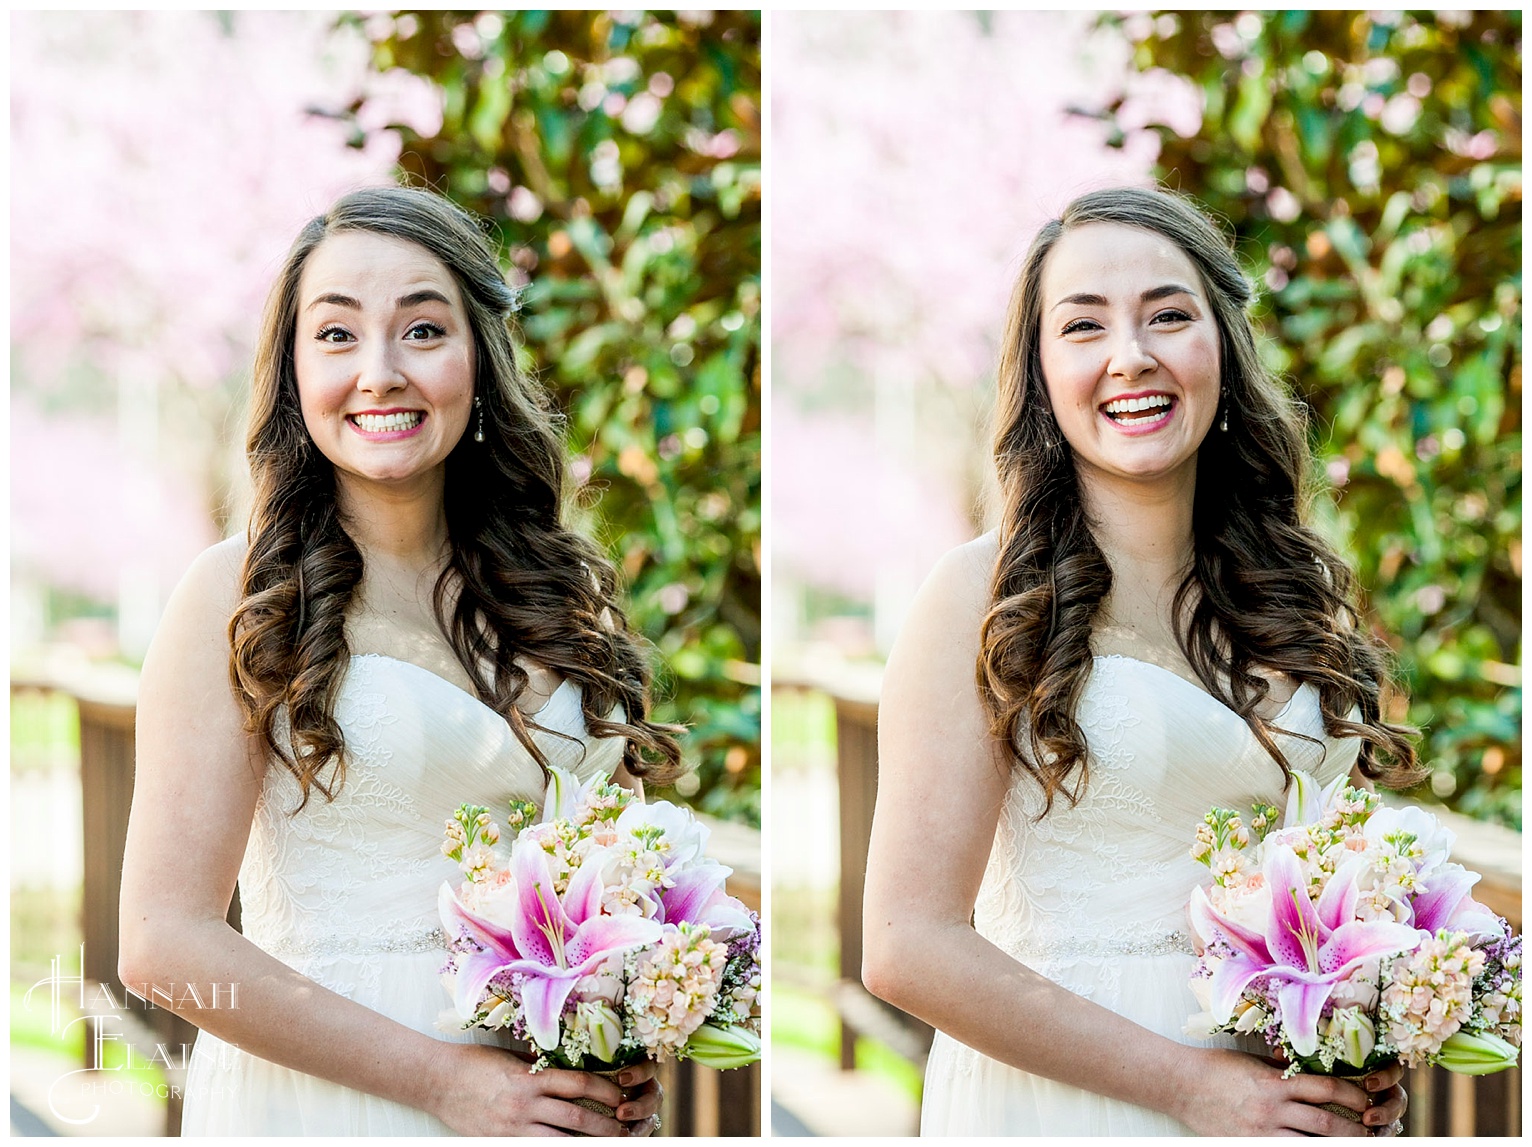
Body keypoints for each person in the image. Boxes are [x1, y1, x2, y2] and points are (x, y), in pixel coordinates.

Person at [119, 187, 680, 1136]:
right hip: (329, 1102)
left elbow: (599, 877)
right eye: (336, 336)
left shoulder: (554, 591)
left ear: (478, 360)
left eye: (422, 329)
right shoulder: (240, 598)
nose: (380, 373)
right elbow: (160, 943)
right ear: (293, 372)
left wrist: (623, 1028)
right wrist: (446, 1085)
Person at [862, 187, 1419, 1136]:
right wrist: (1193, 1088)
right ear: (1040, 374)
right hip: (1073, 1100)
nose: (1133, 354)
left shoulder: (1292, 596)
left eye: (1169, 314)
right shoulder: (980, 599)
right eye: (1084, 326)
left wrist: (1361, 1037)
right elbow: (906, 944)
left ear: (1222, 351)